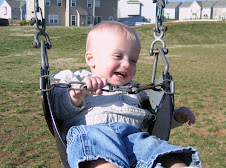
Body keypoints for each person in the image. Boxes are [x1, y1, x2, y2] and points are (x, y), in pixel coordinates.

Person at [53, 21, 201, 168]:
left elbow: (152, 120)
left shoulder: (135, 90)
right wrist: (76, 93)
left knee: (155, 148)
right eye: (118, 56)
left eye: (133, 60)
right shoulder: (77, 79)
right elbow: (57, 109)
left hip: (133, 137)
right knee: (95, 146)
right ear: (91, 59)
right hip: (93, 131)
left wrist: (174, 117)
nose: (127, 64)